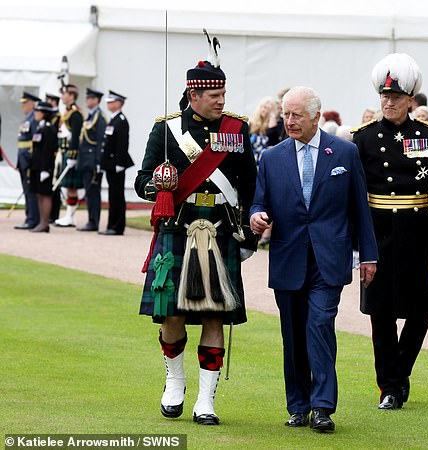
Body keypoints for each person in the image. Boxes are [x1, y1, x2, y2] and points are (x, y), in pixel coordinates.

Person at [134, 38, 257, 426]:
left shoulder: (238, 130)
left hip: (219, 231)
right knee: (170, 316)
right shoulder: (167, 130)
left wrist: (247, 236)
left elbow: (250, 185)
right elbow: (141, 183)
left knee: (214, 318)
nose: (221, 101)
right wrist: (159, 182)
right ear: (195, 93)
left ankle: (206, 400)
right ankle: (174, 382)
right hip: (177, 230)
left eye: (224, 94)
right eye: (214, 95)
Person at [250, 86, 377, 432]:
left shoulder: (345, 154)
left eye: (296, 115)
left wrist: (369, 256)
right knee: (292, 335)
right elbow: (259, 202)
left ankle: (322, 406)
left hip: (329, 258)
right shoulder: (272, 158)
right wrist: (257, 216)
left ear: (315, 117)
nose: (289, 121)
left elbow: (360, 209)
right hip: (288, 257)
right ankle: (298, 405)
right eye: (285, 114)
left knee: (319, 325)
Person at [352, 53, 428, 410]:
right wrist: (355, 245)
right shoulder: (362, 139)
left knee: (420, 310)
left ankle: (399, 371)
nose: (389, 102)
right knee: (380, 313)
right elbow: (353, 196)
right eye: (384, 96)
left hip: (416, 233)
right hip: (378, 232)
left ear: (410, 100)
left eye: (395, 97)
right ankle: (390, 386)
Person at [99, 90, 134, 235]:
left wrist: (119, 163)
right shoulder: (113, 119)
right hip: (110, 163)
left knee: (117, 195)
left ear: (119, 103)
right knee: (112, 195)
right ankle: (111, 225)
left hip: (116, 164)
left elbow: (122, 144)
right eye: (108, 102)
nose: (109, 104)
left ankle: (117, 226)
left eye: (112, 101)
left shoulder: (121, 120)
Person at [54, 84, 84, 227]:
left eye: (64, 94)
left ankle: (70, 215)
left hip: (71, 153)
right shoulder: (66, 112)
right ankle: (69, 215)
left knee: (71, 187)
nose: (62, 96)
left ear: (72, 96)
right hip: (63, 151)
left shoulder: (75, 113)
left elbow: (76, 136)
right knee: (66, 186)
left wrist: (72, 155)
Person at [77, 88, 106, 231]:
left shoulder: (99, 117)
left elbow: (101, 141)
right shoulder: (90, 116)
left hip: (93, 161)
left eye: (90, 98)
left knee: (93, 192)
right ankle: (91, 219)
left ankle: (93, 221)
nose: (87, 100)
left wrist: (99, 162)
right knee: (89, 192)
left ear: (96, 100)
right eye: (87, 97)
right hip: (86, 160)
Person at [29, 101, 59, 233]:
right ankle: (41, 221)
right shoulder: (40, 127)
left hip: (44, 168)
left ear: (44, 114)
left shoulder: (49, 129)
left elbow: (48, 151)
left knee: (45, 195)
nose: (35, 114)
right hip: (36, 166)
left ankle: (45, 223)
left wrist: (45, 169)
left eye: (38, 111)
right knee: (39, 194)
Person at [14, 91, 41, 230]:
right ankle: (29, 216)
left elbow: (35, 141)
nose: (22, 106)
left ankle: (32, 219)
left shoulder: (34, 119)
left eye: (25, 103)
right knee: (27, 190)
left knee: (31, 190)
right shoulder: (27, 118)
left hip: (29, 159)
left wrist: (32, 159)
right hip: (23, 158)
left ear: (32, 104)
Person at [45, 93, 63, 223]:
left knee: (55, 185)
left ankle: (54, 213)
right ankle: (50, 213)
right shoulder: (50, 116)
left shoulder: (58, 117)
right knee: (50, 185)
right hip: (49, 154)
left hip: (56, 154)